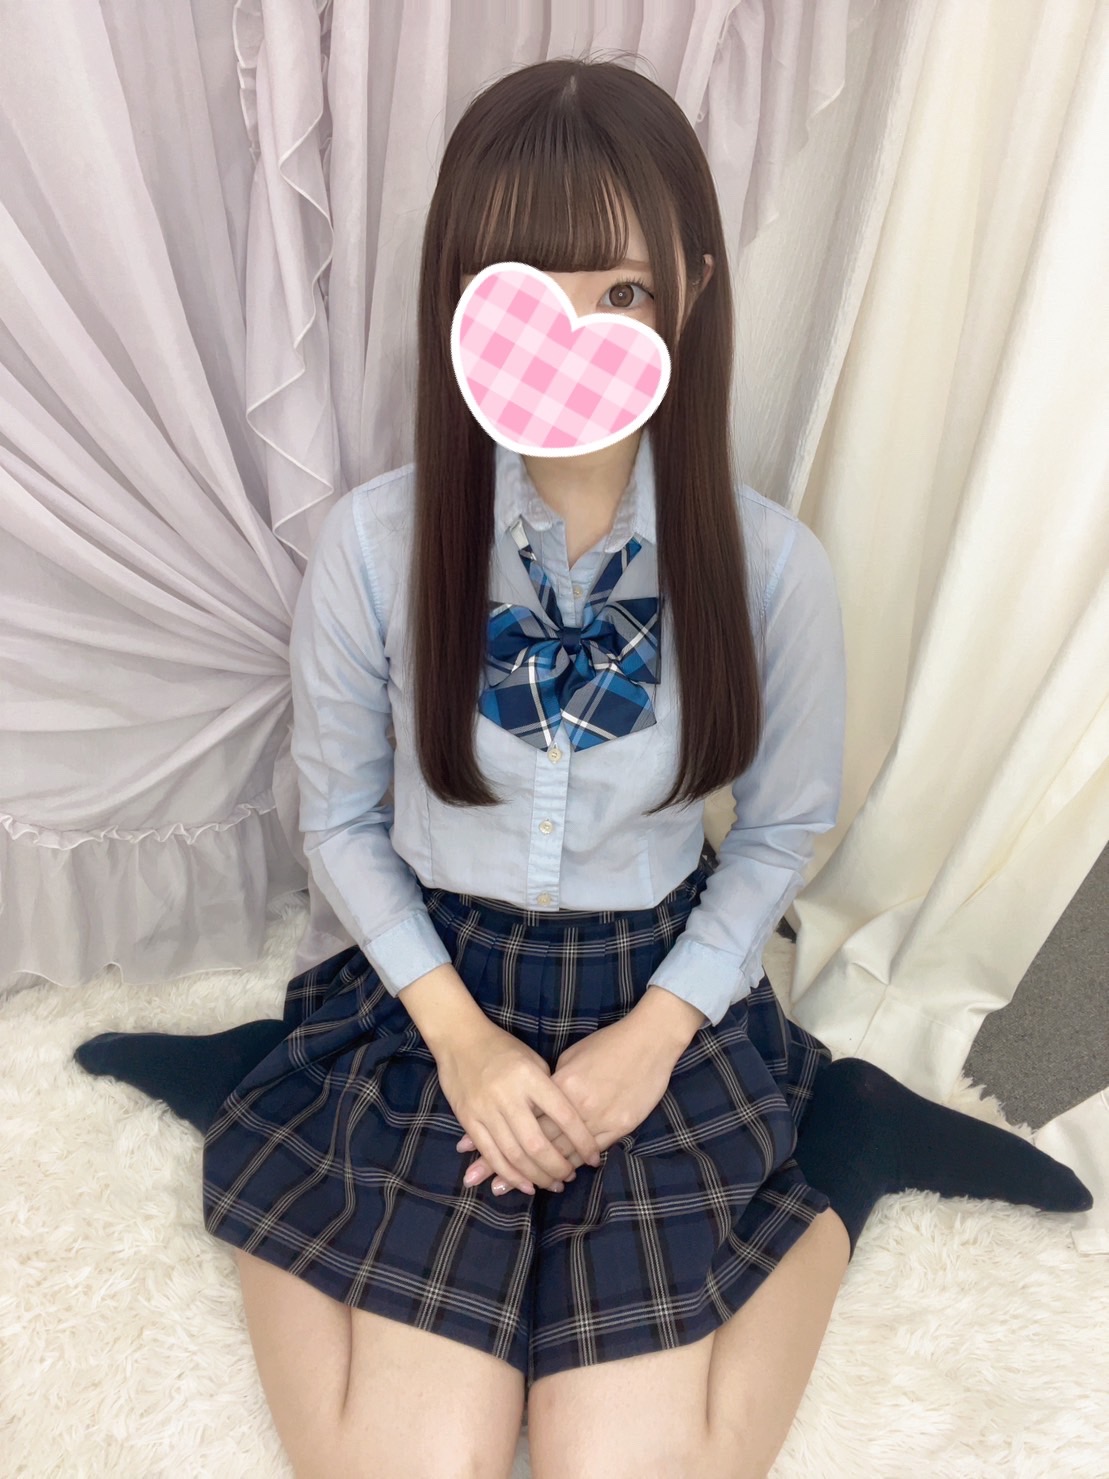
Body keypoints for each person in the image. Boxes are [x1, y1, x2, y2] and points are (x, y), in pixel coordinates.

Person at [76, 54, 1091, 1479]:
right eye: (525, 294)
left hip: (655, 986)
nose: (576, 341)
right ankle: (275, 1090)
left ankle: (844, 1145)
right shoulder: (374, 549)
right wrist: (460, 1039)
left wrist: (657, 1034)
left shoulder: (770, 570)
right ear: (458, 302)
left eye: (622, 290)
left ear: (692, 287)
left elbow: (779, 830)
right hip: (434, 980)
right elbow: (344, 819)